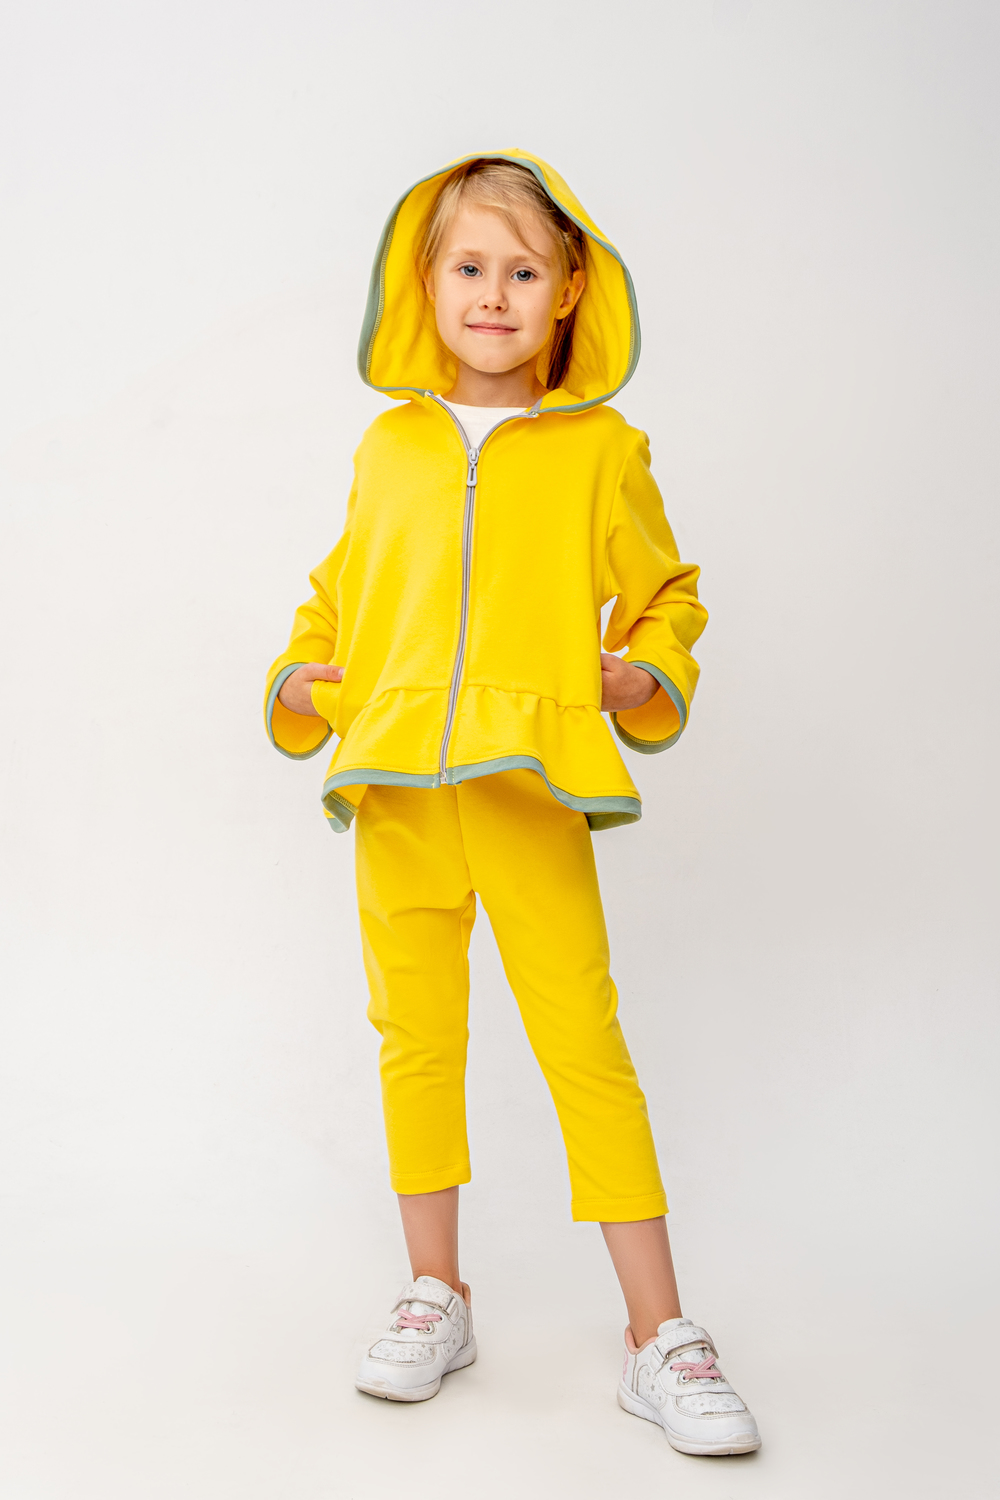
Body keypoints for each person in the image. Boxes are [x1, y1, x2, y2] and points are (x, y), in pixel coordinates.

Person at [264, 152, 760, 1456]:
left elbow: (669, 595)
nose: (494, 294)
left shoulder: (602, 450)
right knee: (415, 1040)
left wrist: (642, 673)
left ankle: (659, 1334)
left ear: (568, 289)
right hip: (397, 790)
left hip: (530, 784)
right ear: (425, 285)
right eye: (470, 268)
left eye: (523, 270)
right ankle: (438, 1294)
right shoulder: (390, 446)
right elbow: (340, 593)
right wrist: (301, 680)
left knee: (582, 1042)